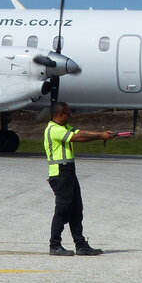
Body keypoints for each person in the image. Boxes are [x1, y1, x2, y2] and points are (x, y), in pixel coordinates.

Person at [44, 102, 115, 256]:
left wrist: (101, 134)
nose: (70, 116)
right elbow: (78, 137)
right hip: (60, 174)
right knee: (62, 210)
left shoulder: (64, 127)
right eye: (68, 114)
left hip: (69, 173)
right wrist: (100, 136)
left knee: (76, 209)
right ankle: (54, 245)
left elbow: (82, 132)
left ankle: (81, 244)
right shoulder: (54, 129)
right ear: (60, 114)